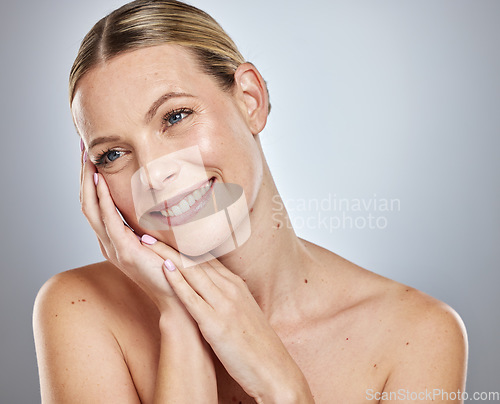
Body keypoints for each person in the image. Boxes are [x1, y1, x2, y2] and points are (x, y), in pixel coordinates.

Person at [33, 1, 468, 402]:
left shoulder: (418, 334)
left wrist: (284, 389)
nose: (154, 171)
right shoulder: (79, 308)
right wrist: (181, 321)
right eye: (113, 154)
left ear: (250, 100)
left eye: (175, 116)